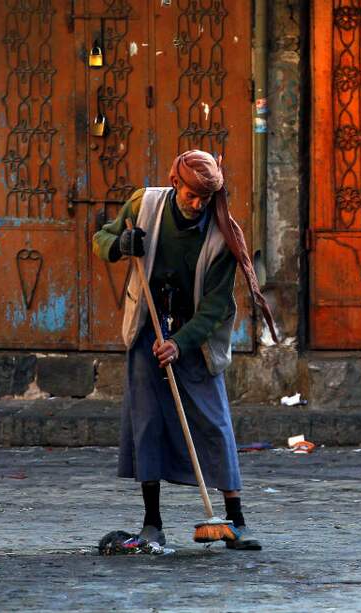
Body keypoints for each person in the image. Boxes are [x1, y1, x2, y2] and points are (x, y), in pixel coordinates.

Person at [93, 150, 279, 550]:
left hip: (193, 337)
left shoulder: (224, 235)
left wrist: (180, 343)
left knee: (215, 422)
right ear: (176, 183)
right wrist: (121, 243)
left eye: (205, 198)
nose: (198, 205)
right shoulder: (145, 204)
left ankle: (236, 519)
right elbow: (101, 237)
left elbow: (215, 306)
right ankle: (152, 522)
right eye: (192, 195)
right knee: (148, 421)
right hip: (149, 325)